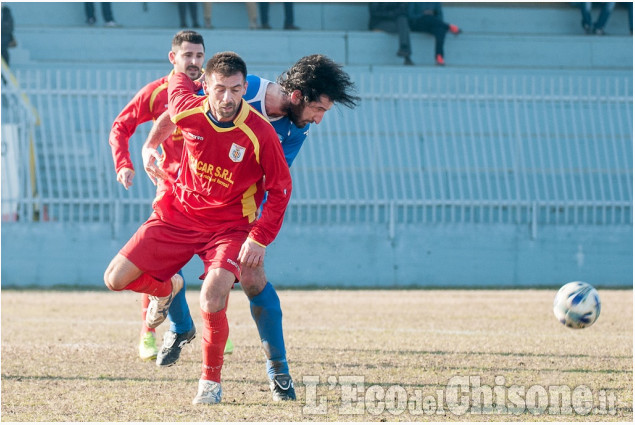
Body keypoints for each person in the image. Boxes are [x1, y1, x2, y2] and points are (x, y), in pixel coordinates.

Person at [144, 54, 360, 401]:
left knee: (251, 277)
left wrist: (256, 235)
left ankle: (278, 371)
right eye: (318, 109)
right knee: (162, 264)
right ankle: (181, 326)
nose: (318, 120)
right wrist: (150, 145)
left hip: (235, 212)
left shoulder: (296, 130)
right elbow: (180, 110)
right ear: (298, 95)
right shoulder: (247, 88)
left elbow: (272, 183)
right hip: (188, 189)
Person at [104, 51, 293, 405]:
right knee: (115, 278)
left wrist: (260, 238)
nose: (227, 98)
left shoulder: (260, 133)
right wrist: (148, 148)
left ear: (243, 88)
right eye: (219, 89)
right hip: (179, 214)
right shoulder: (187, 107)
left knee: (212, 294)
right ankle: (169, 288)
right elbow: (169, 115)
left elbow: (281, 188)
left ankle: (210, 382)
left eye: (236, 90)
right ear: (204, 87)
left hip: (231, 227)